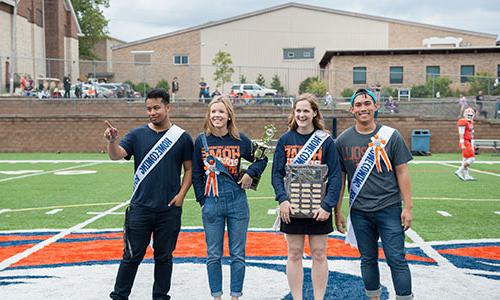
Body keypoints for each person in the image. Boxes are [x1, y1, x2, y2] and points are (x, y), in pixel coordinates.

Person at [104, 88, 194, 300]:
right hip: (140, 209)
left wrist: (181, 196)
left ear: (167, 107)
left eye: (156, 108)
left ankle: (161, 297)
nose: (152, 112)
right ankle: (119, 296)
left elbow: (189, 169)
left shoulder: (181, 138)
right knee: (131, 256)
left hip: (168, 210)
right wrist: (111, 141)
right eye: (148, 108)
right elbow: (116, 156)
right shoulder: (136, 134)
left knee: (164, 257)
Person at [334, 88, 413, 300]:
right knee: (367, 259)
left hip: (389, 208)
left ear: (376, 106)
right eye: (358, 105)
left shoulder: (391, 136)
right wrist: (337, 210)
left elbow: (402, 171)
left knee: (396, 258)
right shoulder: (342, 141)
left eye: (367, 103)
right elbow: (340, 178)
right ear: (352, 109)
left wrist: (408, 207)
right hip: (360, 211)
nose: (363, 108)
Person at [192, 95, 268, 299]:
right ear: (209, 115)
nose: (217, 115)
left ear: (229, 116)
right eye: (213, 111)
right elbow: (196, 173)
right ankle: (216, 296)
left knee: (238, 255)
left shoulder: (240, 139)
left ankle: (235, 296)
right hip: (212, 202)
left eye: (221, 112)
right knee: (213, 255)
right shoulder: (201, 140)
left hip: (237, 202)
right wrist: (202, 200)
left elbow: (262, 159)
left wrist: (251, 173)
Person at [271, 93, 342, 300]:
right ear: (294, 113)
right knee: (294, 254)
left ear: (314, 113)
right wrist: (283, 200)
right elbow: (276, 174)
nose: (301, 115)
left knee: (319, 254)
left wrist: (327, 205)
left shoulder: (325, 141)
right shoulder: (285, 140)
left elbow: (336, 175)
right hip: (292, 208)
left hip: (318, 208)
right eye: (298, 111)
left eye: (306, 111)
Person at [455, 107, 476, 181]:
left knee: (465, 159)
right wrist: (462, 143)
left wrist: (473, 144)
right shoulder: (462, 121)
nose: (470, 116)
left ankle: (466, 176)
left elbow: (471, 134)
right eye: (468, 115)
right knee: (472, 158)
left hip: (469, 141)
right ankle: (459, 171)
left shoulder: (470, 122)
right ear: (465, 114)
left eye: (471, 115)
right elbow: (461, 133)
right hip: (465, 141)